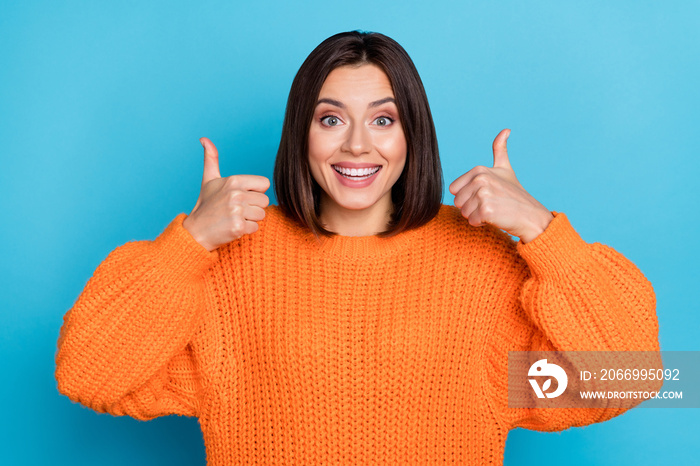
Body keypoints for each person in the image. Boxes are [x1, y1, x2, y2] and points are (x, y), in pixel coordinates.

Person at [55, 31, 660, 465]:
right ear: (302, 133)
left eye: (382, 119)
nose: (355, 147)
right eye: (329, 119)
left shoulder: (482, 270)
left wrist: (541, 230)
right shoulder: (231, 266)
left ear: (410, 134)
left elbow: (630, 375)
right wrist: (187, 245)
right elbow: (86, 373)